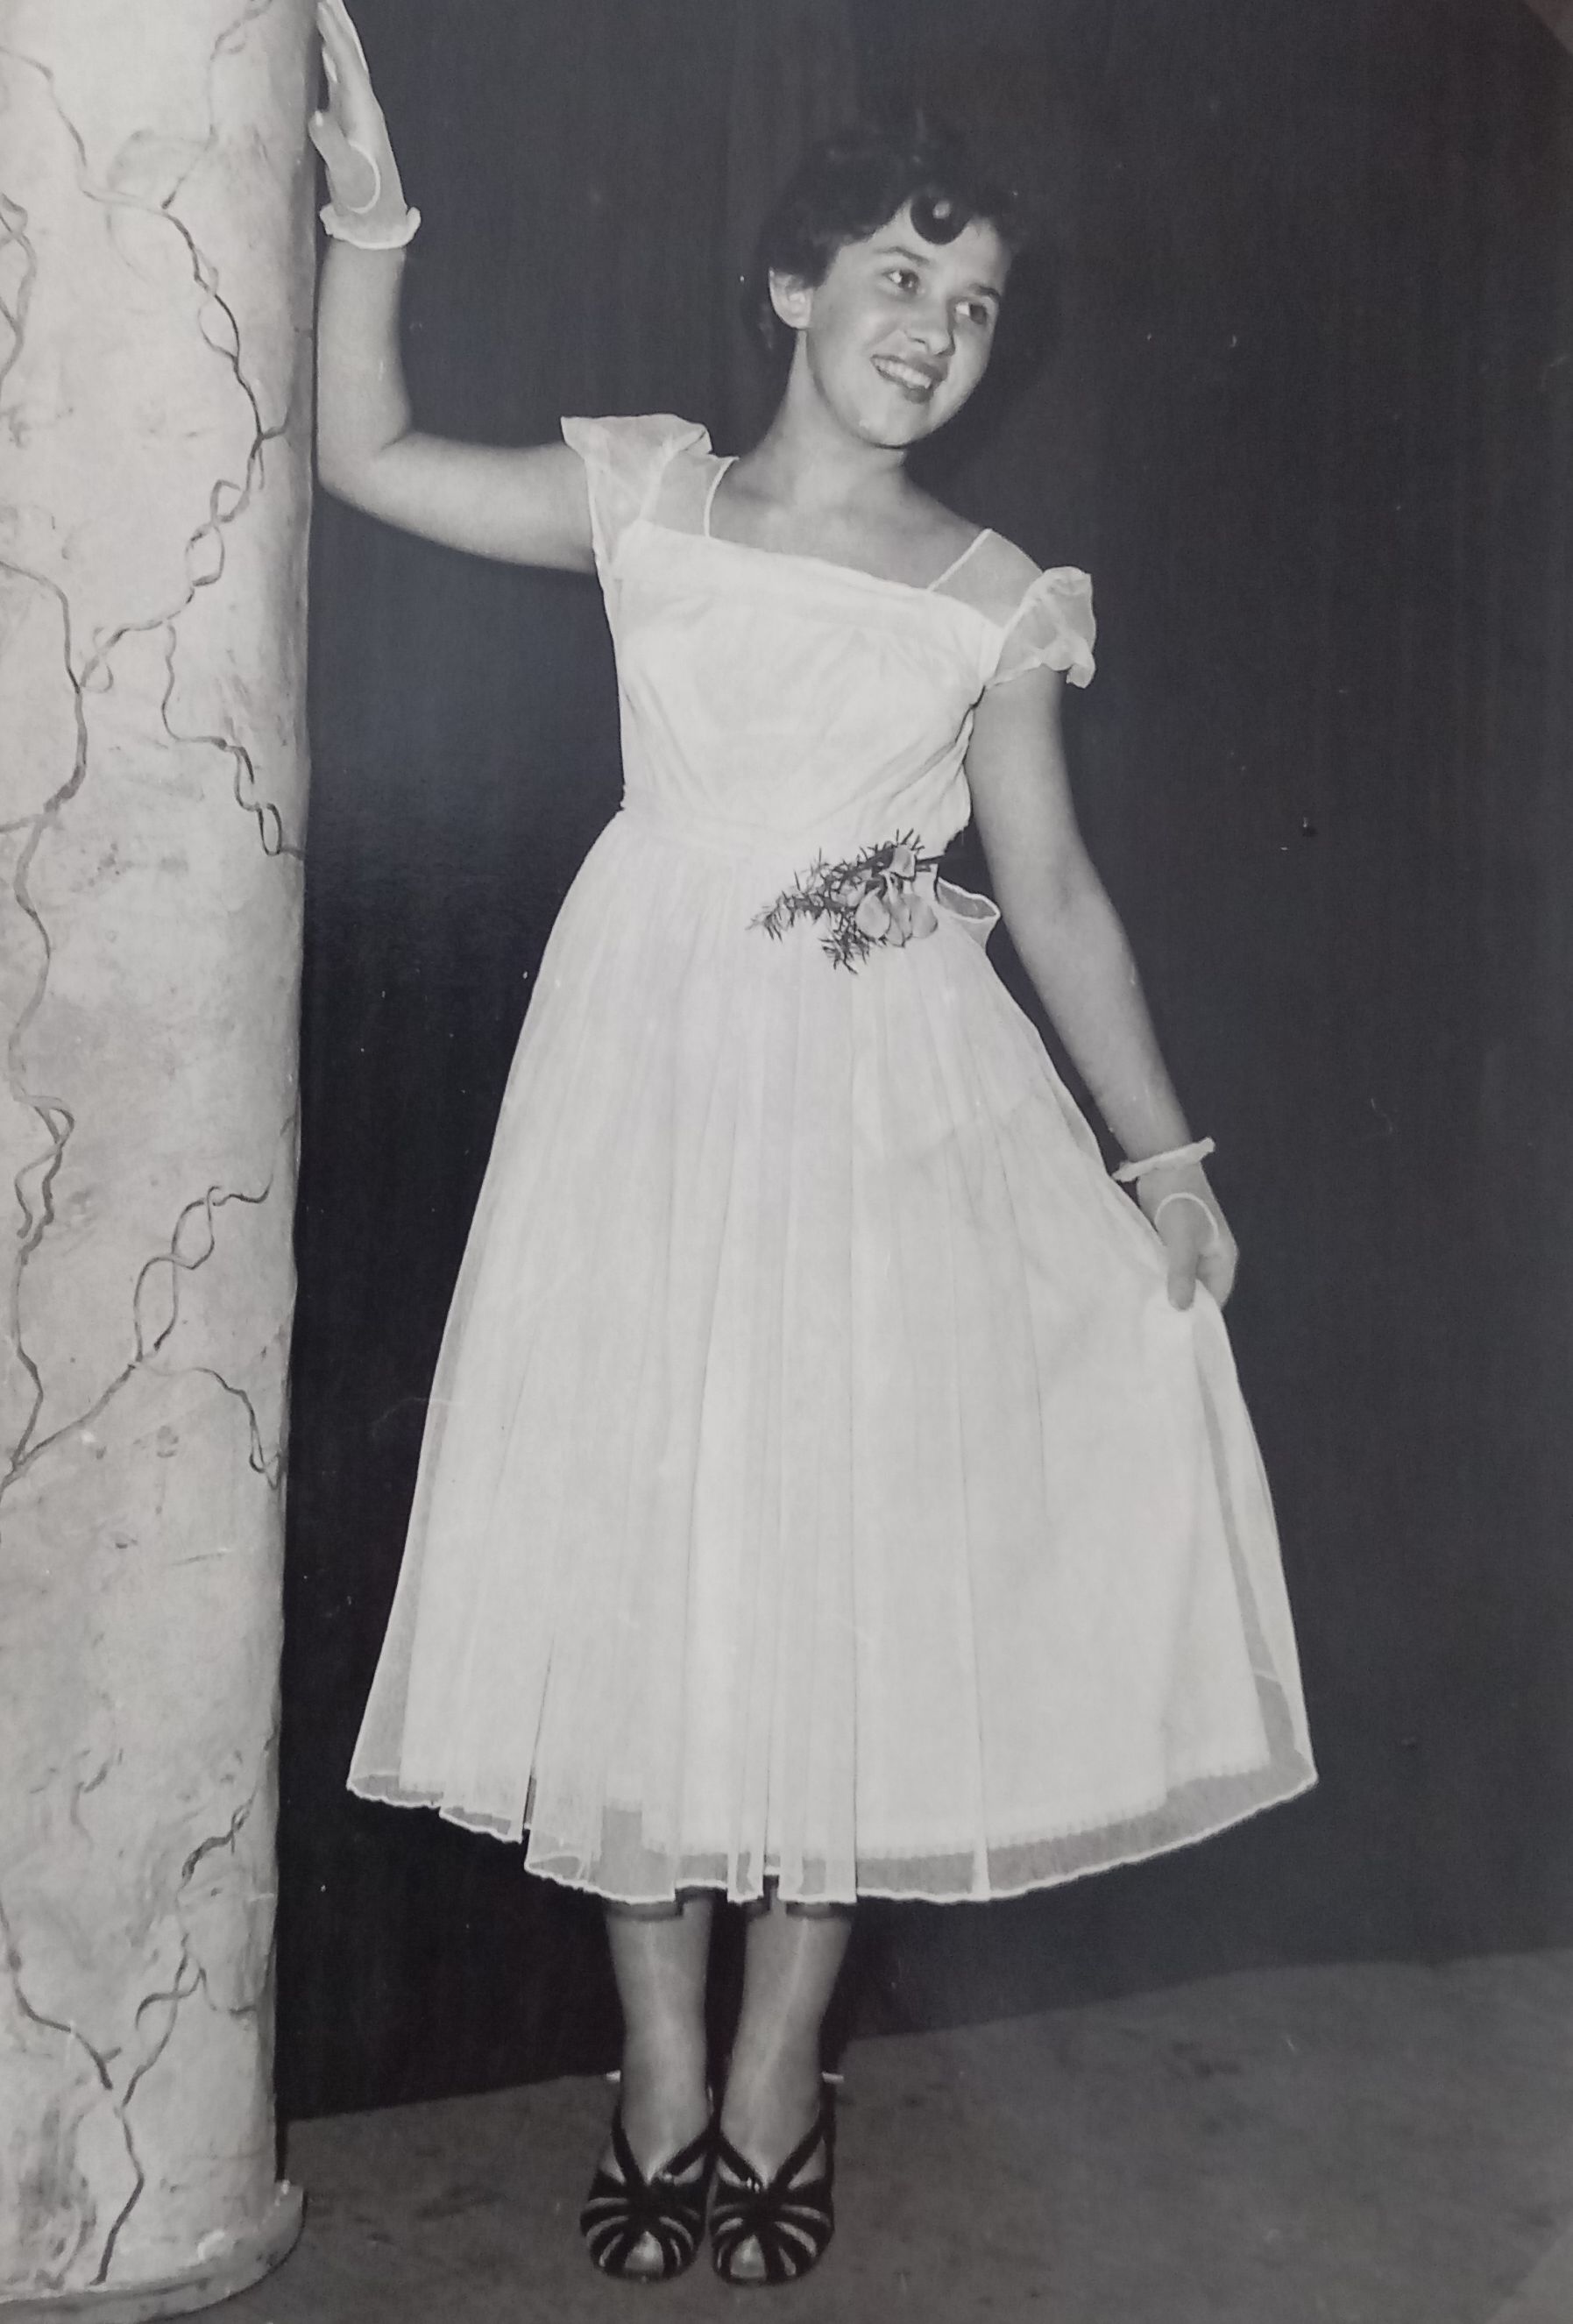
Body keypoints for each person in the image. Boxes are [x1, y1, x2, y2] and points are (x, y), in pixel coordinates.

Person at [309, 0, 1315, 2287]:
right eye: (899, 275)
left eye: (975, 307)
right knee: (638, 1568)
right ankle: (654, 2067)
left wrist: (1163, 1164)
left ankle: (777, 2075)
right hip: (641, 1088)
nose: (934, 330)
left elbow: (1053, 895)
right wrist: (374, 227)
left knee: (835, 1579)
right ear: (793, 286)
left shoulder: (991, 598)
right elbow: (362, 454)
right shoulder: (649, 498)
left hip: (885, 1116)